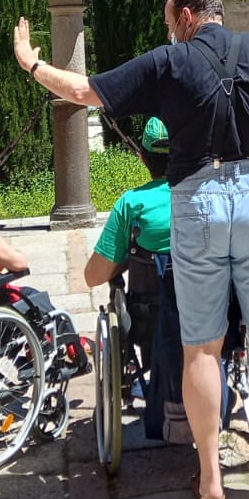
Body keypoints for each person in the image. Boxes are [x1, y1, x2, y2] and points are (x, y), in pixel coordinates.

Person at [13, 0, 249, 499]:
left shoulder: (169, 61)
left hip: (198, 199)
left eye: (168, 23)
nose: (168, 32)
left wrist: (32, 64)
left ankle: (210, 480)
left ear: (184, 17)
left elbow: (84, 91)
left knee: (201, 347)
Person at [82, 118, 185, 442]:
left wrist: (124, 263)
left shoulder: (131, 204)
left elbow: (93, 276)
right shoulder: (203, 193)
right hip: (206, 308)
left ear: (142, 156)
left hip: (147, 316)